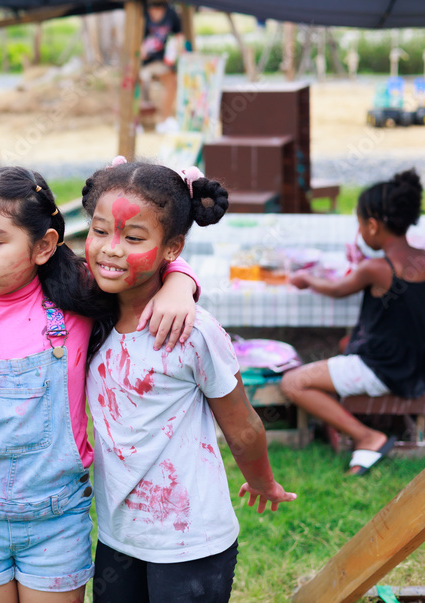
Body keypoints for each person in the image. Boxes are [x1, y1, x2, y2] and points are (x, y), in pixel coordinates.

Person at [0, 166, 201, 602]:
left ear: (44, 245)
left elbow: (139, 263)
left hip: (56, 520)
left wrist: (180, 282)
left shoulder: (76, 296)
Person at [81, 161, 297, 603]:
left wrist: (262, 482)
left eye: (133, 238)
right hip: (118, 535)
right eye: (100, 231)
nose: (111, 249)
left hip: (191, 541)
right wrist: (181, 278)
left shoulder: (193, 332)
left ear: (172, 247)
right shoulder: (87, 312)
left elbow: (243, 425)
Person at [280, 169, 425, 475]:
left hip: (384, 368)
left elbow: (337, 289)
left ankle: (366, 436)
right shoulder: (424, 258)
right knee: (344, 344)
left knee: (293, 382)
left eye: (360, 224)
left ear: (373, 225)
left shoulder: (375, 268)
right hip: (419, 365)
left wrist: (307, 279)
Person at [140, 0, 183, 134]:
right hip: (143, 62)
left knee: (171, 83)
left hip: (162, 61)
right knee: (135, 85)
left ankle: (165, 120)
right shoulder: (142, 14)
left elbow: (179, 35)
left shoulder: (171, 14)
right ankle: (135, 121)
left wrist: (177, 52)